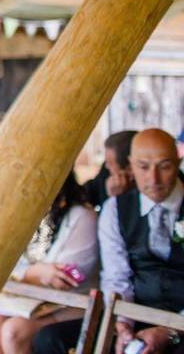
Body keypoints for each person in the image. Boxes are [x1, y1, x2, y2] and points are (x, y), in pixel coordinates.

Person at [32, 129, 184, 354]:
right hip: (136, 313)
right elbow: (116, 276)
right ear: (131, 165)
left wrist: (170, 331)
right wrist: (123, 326)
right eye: (143, 167)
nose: (153, 179)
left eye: (164, 166)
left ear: (178, 162)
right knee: (49, 340)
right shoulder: (115, 209)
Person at [0, 172, 98, 354]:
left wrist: (27, 275)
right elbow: (1, 263)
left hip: (73, 302)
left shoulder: (82, 216)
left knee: (13, 332)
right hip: (29, 299)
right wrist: (34, 273)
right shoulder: (24, 214)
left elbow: (66, 279)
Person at [83, 130, 137, 209]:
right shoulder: (106, 173)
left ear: (129, 169)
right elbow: (86, 193)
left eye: (110, 163)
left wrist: (117, 199)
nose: (106, 166)